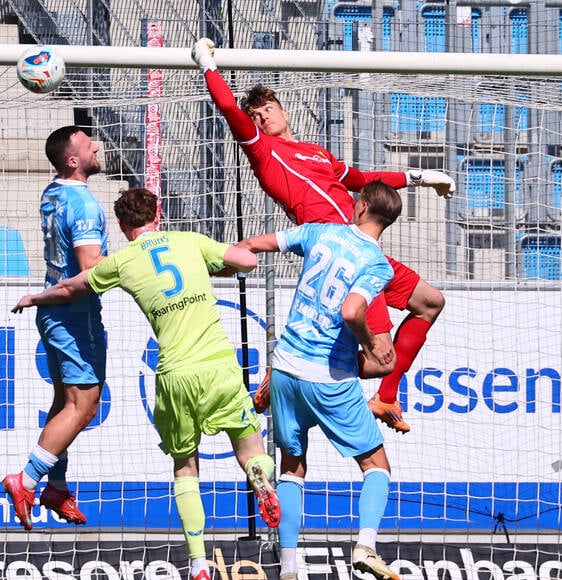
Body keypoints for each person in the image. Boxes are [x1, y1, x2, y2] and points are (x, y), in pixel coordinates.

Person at [12, 187, 280, 580]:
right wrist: (211, 266)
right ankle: (260, 477)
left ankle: (199, 570)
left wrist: (35, 298)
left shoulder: (122, 261)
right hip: (220, 367)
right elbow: (247, 260)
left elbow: (70, 288)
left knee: (186, 468)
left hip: (175, 375)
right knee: (250, 449)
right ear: (159, 213)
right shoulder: (189, 241)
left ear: (122, 226)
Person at [191, 38, 454, 434]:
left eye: (267, 109)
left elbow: (363, 180)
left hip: (363, 247)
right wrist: (207, 64)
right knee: (379, 358)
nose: (261, 118)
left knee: (431, 302)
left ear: (284, 110)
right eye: (256, 115)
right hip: (337, 254)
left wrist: (421, 177)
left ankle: (384, 397)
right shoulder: (263, 150)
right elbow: (229, 108)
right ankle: (286, 373)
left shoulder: (317, 152)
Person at [237, 181, 406, 580]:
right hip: (329, 376)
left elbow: (258, 244)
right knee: (376, 465)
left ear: (361, 206)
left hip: (284, 369)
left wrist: (230, 259)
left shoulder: (321, 232)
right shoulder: (377, 264)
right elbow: (351, 311)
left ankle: (288, 576)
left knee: (292, 468)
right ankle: (365, 546)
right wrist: (370, 342)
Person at [2, 125, 108, 530]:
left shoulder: (53, 192)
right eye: (87, 144)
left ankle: (57, 486)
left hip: (54, 311)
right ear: (73, 160)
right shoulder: (84, 204)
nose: (96, 146)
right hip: (75, 313)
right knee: (85, 406)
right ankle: (27, 480)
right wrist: (134, 263)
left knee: (65, 402)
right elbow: (90, 269)